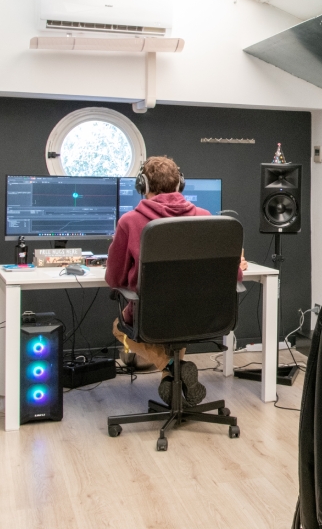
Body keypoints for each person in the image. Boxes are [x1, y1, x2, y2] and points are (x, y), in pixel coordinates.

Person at [104, 155, 247, 406]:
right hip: (202, 314)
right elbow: (234, 277)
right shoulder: (206, 218)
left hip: (152, 315)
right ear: (180, 184)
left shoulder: (129, 221)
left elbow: (114, 279)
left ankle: (171, 366)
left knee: (119, 327)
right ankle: (176, 374)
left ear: (143, 186)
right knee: (179, 325)